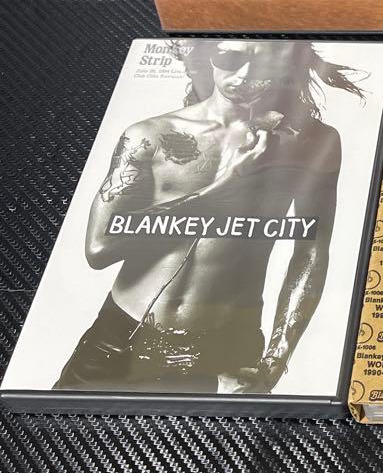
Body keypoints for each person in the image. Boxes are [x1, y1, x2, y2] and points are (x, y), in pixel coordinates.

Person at [55, 39, 365, 395]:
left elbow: (311, 249)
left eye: (262, 64)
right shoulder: (150, 136)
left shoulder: (312, 142)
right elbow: (99, 248)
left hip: (226, 350)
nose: (244, 75)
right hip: (119, 339)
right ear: (210, 57)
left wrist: (276, 359)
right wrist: (223, 190)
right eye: (230, 58)